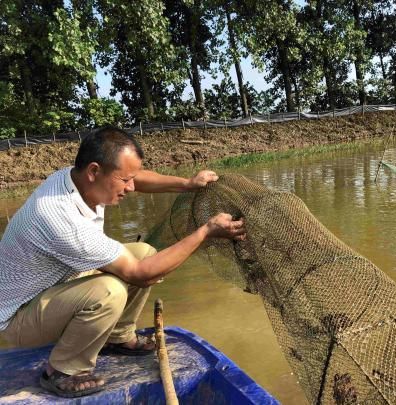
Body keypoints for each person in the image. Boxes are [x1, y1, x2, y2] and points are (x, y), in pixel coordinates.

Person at [0, 126, 246, 398]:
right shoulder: (60, 219)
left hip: (55, 284)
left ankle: (118, 336)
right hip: (17, 317)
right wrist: (206, 231)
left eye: (130, 179)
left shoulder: (78, 180)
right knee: (110, 290)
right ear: (94, 171)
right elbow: (141, 274)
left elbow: (137, 180)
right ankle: (61, 370)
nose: (130, 187)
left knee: (144, 251)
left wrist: (186, 184)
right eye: (124, 180)